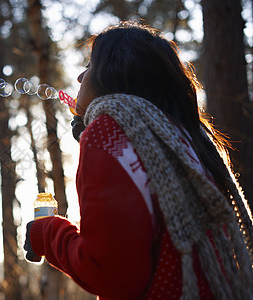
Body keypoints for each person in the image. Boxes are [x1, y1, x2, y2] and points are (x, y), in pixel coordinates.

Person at [23, 21, 253, 299]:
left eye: (90, 65)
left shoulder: (107, 134)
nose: (80, 78)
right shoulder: (188, 138)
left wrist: (47, 233)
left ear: (113, 74)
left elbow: (109, 272)